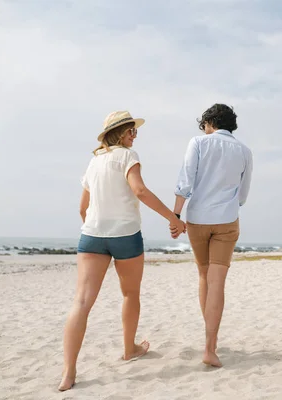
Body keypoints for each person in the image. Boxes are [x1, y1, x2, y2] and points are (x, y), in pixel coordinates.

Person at [59, 111, 185, 391]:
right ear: (117, 133)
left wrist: (97, 230)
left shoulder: (94, 162)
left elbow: (82, 208)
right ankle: (129, 349)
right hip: (126, 236)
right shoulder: (129, 156)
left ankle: (68, 373)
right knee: (130, 294)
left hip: (92, 237)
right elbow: (139, 191)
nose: (134, 135)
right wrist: (172, 218)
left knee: (81, 302)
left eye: (135, 131)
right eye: (130, 130)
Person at [170, 104, 253, 367]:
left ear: (209, 122)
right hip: (227, 220)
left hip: (198, 219)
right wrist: (228, 204)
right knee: (217, 283)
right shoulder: (244, 151)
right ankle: (210, 347)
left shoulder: (198, 143)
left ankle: (210, 343)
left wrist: (175, 216)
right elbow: (243, 193)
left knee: (204, 276)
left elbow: (185, 180)